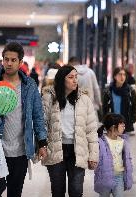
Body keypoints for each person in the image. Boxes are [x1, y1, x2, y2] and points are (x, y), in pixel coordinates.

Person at [0, 42, 48, 197]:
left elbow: (38, 115)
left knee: (15, 192)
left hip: (21, 149)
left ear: (20, 62)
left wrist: (42, 142)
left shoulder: (29, 85)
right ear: (2, 60)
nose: (9, 63)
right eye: (6, 59)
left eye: (13, 60)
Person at [42, 65, 99, 197]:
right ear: (62, 79)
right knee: (57, 191)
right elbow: (42, 124)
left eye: (76, 77)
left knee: (77, 191)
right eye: (71, 77)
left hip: (77, 150)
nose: (75, 80)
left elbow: (91, 130)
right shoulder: (49, 97)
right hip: (56, 149)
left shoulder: (84, 99)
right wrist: (41, 146)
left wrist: (93, 155)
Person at [95, 113, 133, 196]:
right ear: (113, 127)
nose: (124, 127)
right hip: (104, 177)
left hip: (119, 176)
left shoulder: (123, 141)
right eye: (122, 125)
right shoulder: (101, 142)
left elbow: (127, 159)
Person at [103, 67, 136, 135]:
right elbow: (105, 108)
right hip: (112, 125)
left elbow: (134, 106)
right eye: (120, 74)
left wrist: (132, 120)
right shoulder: (109, 91)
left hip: (125, 125)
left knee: (124, 144)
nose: (122, 77)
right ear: (115, 76)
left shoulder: (130, 91)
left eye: (124, 75)